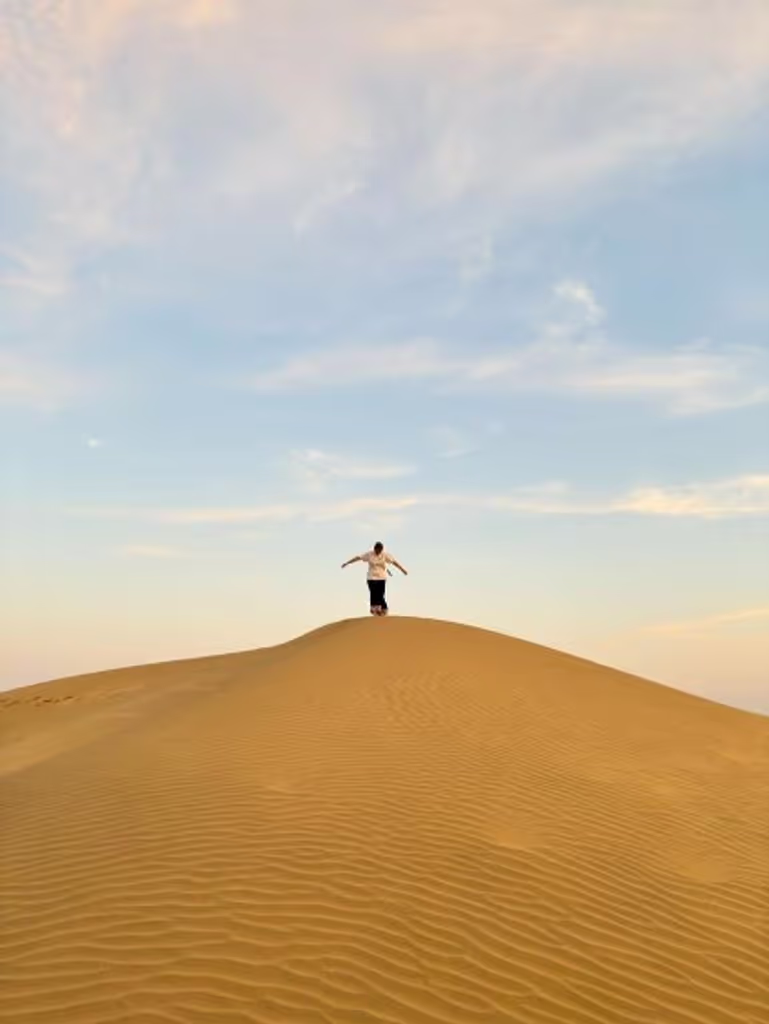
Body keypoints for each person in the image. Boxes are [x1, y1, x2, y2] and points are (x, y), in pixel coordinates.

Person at [341, 541, 408, 616]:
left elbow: (394, 562)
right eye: (377, 550)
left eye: (380, 551)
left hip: (381, 577)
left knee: (380, 594)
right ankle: (374, 609)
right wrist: (347, 563)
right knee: (373, 592)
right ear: (374, 549)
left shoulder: (385, 555)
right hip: (371, 577)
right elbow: (358, 558)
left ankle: (383, 609)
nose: (378, 552)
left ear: (382, 550)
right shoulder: (369, 554)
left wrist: (403, 570)